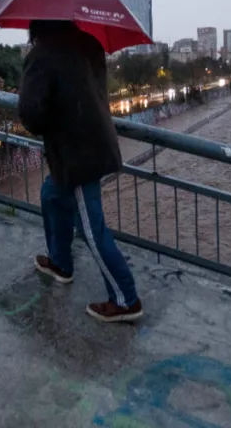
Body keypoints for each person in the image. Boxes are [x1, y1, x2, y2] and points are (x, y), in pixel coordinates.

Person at [18, 20, 142, 323]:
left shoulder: (42, 55)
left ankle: (126, 299)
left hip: (77, 156)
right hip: (94, 143)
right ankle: (60, 263)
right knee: (50, 194)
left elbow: (32, 116)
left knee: (91, 228)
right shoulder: (89, 45)